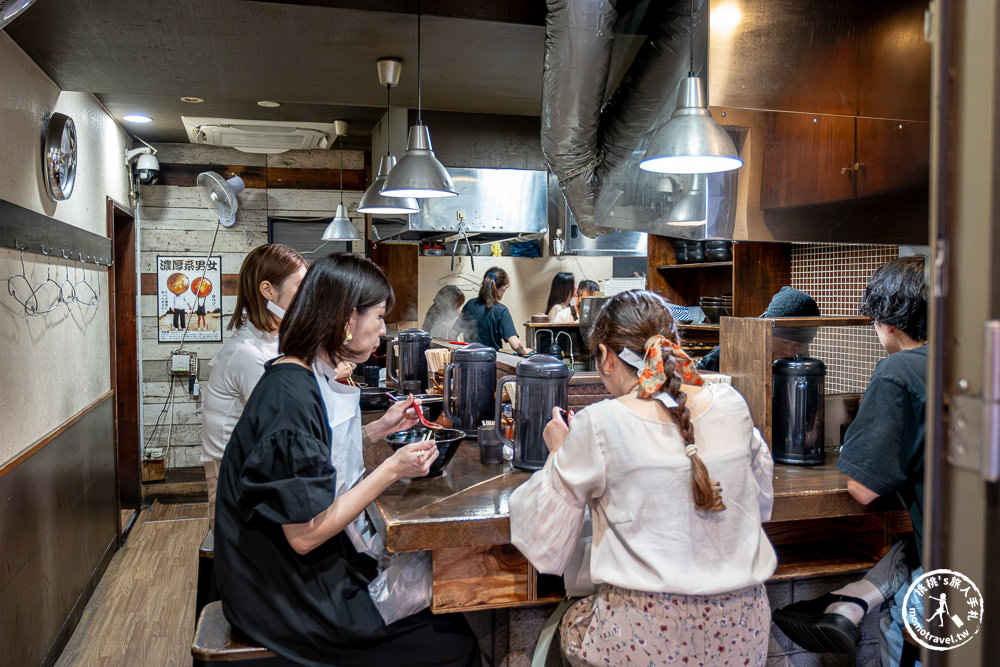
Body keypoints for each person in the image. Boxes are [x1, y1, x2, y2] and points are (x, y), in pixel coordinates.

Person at [214, 254, 482, 667]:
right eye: (376, 315)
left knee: (442, 613)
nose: (381, 328)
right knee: (454, 642)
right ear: (345, 319)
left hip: (282, 578)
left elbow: (315, 459)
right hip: (282, 598)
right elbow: (305, 535)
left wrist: (382, 430)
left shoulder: (300, 373)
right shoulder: (290, 398)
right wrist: (392, 469)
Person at [509, 289, 777, 666]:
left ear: (604, 356)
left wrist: (559, 453)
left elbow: (543, 542)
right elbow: (761, 505)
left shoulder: (601, 421)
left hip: (645, 636)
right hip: (742, 633)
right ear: (673, 346)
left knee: (565, 626)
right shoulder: (732, 403)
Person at [772, 256, 928, 665]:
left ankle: (847, 605)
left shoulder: (899, 370)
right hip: (970, 549)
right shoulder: (972, 360)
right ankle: (850, 604)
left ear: (886, 322)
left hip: (948, 581)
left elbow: (862, 488)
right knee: (908, 547)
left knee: (899, 620)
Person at [200, 243, 308, 530]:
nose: (307, 297)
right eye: (300, 287)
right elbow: (281, 418)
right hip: (231, 472)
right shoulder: (246, 353)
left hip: (252, 465)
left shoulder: (272, 340)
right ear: (268, 291)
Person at [696, 286, 820, 372]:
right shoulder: (726, 354)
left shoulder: (798, 358)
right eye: (784, 342)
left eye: (799, 345)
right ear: (766, 332)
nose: (790, 352)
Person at [454, 266, 531, 355]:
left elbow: (452, 334)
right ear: (504, 288)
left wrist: (461, 351)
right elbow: (515, 345)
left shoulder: (470, 304)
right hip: (490, 362)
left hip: (468, 359)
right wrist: (524, 351)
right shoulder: (501, 311)